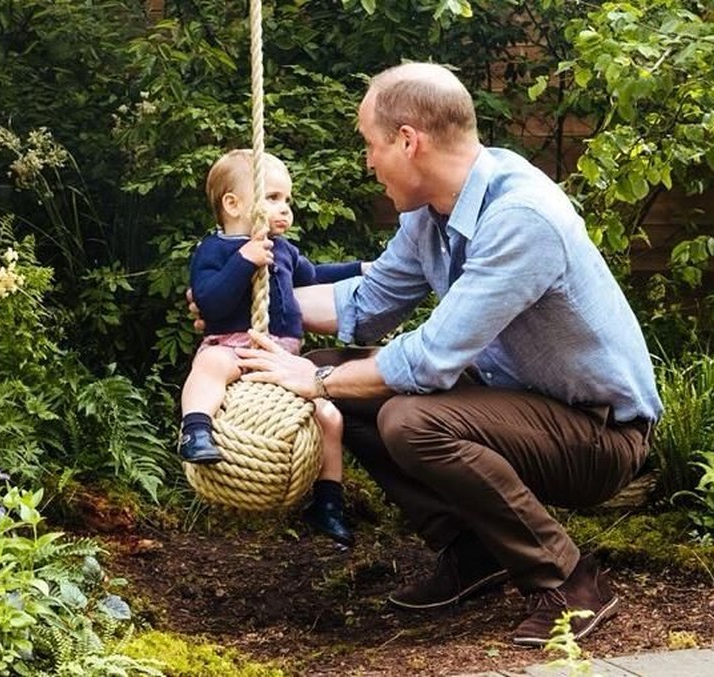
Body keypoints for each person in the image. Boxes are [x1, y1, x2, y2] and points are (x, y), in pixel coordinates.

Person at [231, 63, 664, 646]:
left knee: (407, 418)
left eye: (371, 144)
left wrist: (318, 382)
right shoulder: (430, 214)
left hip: (599, 435)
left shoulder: (522, 217)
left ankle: (570, 583)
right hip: (518, 408)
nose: (368, 162)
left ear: (408, 141)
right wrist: (240, 302)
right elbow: (369, 301)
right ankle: (473, 550)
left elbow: (432, 358)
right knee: (344, 375)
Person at [179, 148, 366, 546]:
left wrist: (362, 268)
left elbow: (314, 276)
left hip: (282, 359)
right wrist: (244, 261)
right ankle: (195, 429)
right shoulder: (213, 251)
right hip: (234, 347)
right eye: (273, 198)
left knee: (329, 417)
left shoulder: (283, 249)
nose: (286, 209)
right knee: (210, 363)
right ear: (233, 204)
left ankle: (327, 502)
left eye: (288, 200)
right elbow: (210, 302)